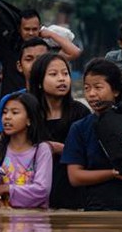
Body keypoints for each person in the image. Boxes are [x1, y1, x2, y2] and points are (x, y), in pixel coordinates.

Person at [62, 58, 122, 211]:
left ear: (115, 90)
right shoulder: (79, 128)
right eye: (87, 88)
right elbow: (75, 177)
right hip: (98, 209)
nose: (91, 94)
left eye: (98, 87)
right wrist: (112, 174)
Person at [0, 0, 81, 97]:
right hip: (12, 108)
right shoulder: (8, 48)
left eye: (34, 29)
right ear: (19, 29)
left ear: (40, 28)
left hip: (37, 107)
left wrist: (50, 34)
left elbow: (75, 52)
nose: (31, 33)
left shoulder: (46, 52)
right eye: (27, 29)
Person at [29, 53, 91, 209]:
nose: (62, 79)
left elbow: (91, 155)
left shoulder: (80, 112)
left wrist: (62, 149)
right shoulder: (29, 114)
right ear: (39, 82)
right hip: (36, 195)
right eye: (53, 74)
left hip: (73, 195)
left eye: (65, 73)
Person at [0, 92, 53, 208]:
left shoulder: (41, 150)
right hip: (5, 217)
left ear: (29, 120)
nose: (7, 117)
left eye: (15, 112)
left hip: (35, 219)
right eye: (4, 112)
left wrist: (7, 188)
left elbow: (42, 190)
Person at [0, 37, 49, 134]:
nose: (35, 64)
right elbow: (3, 142)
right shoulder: (8, 101)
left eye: (40, 59)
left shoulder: (59, 100)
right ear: (19, 66)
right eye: (29, 59)